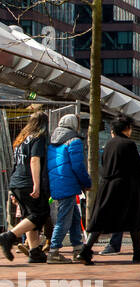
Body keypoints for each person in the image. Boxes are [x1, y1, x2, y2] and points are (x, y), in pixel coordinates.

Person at [82, 116, 140, 263]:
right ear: (126, 128)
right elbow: (137, 166)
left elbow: (104, 164)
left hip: (108, 186)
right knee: (135, 219)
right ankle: (138, 252)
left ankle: (86, 249)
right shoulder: (128, 144)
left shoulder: (109, 144)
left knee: (101, 219)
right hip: (128, 187)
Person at [1, 110, 51, 263]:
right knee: (40, 214)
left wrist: (11, 189)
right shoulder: (38, 138)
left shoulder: (21, 139)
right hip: (28, 182)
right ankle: (8, 237)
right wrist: (37, 185)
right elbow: (34, 160)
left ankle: (35, 250)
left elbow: (16, 163)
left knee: (29, 216)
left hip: (16, 182)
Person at [45, 114, 93, 265]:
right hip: (69, 184)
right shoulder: (74, 140)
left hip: (57, 183)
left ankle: (78, 248)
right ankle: (54, 251)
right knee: (64, 218)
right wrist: (86, 182)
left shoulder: (53, 142)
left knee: (74, 217)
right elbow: (78, 165)